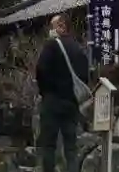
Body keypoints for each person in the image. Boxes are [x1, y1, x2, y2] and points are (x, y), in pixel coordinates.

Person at [34, 15, 93, 172]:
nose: (50, 30)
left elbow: (41, 70)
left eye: (52, 26)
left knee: (49, 145)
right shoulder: (78, 48)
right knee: (71, 147)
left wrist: (45, 91)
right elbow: (85, 76)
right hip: (72, 103)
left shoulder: (51, 45)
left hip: (52, 101)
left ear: (61, 26)